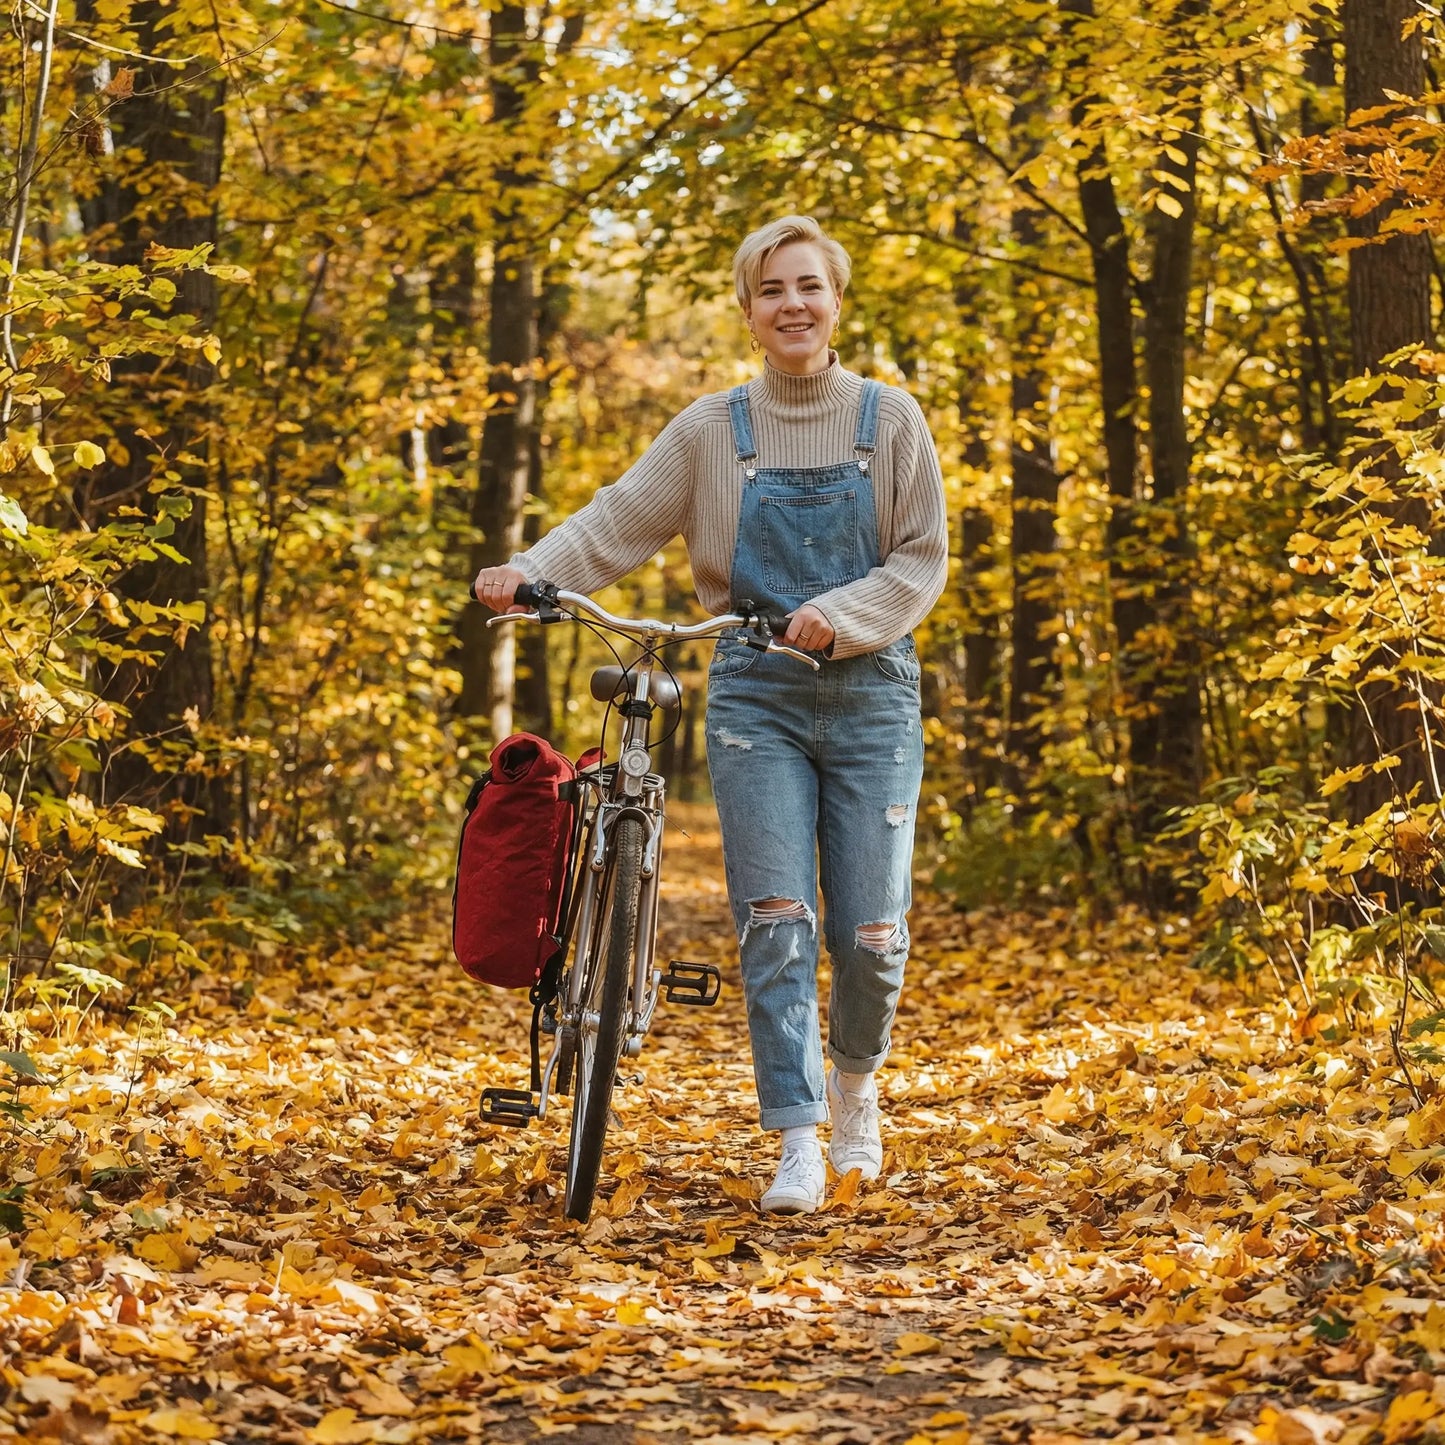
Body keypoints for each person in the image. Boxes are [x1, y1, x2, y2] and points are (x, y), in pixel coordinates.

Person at [473, 215, 948, 1213]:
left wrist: (838, 615)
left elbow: (918, 558)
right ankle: (796, 1136)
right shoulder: (710, 431)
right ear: (746, 309)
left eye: (808, 286)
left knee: (870, 933)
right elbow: (616, 520)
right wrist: (527, 572)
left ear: (836, 301)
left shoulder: (890, 420)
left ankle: (855, 1090)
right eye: (772, 289)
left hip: (870, 694)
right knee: (774, 921)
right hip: (752, 697)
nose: (792, 304)